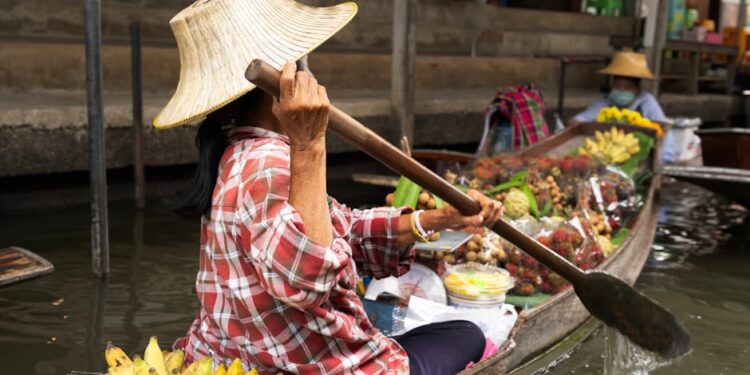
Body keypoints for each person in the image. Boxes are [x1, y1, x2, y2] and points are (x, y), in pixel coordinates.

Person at [153, 1, 503, 374]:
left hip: (243, 355)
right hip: (311, 366)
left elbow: (343, 229)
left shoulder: (238, 153)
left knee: (438, 331)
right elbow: (307, 282)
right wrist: (309, 143)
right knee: (468, 333)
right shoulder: (270, 163)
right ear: (293, 80)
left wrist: (438, 219)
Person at [569, 51, 667, 126]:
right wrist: (576, 121)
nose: (621, 90)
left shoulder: (647, 101)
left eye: (627, 87)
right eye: (617, 86)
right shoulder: (606, 101)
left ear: (637, 89)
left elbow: (663, 130)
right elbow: (585, 117)